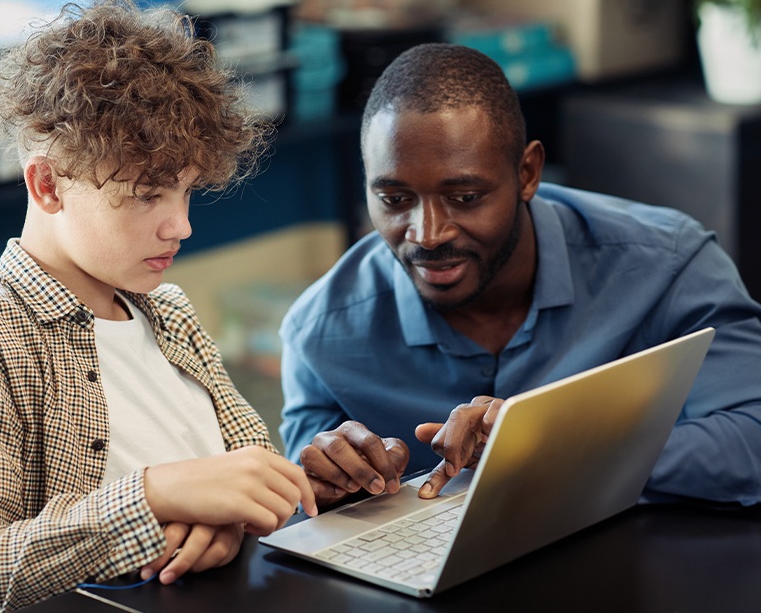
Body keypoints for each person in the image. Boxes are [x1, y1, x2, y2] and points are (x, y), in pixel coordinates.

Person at [0, 1, 316, 612]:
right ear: (47, 185)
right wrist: (151, 498)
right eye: (146, 195)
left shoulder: (169, 311)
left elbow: (248, 470)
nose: (180, 226)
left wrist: (239, 514)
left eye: (184, 192)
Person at [278, 43, 761, 509]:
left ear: (528, 173)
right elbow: (302, 494)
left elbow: (752, 438)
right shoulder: (319, 333)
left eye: (465, 197)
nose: (427, 234)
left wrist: (551, 449)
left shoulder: (668, 265)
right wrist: (337, 480)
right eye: (394, 200)